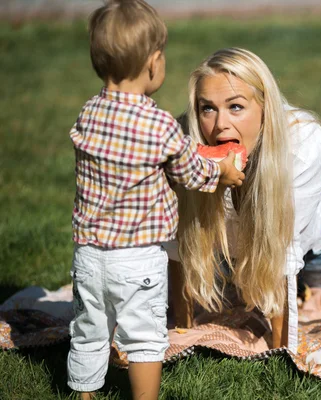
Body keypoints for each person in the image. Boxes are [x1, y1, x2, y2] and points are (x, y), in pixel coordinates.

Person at [67, 2, 244, 398]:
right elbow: (192, 174)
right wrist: (225, 173)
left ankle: (83, 395)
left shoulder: (88, 114)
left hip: (88, 255)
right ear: (152, 63)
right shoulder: (158, 124)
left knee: (89, 331)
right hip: (137, 256)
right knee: (144, 336)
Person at [168, 47, 321, 353]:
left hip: (319, 237)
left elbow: (284, 248)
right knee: (238, 290)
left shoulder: (304, 141)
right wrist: (182, 331)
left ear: (265, 106)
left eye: (236, 107)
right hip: (239, 247)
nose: (220, 125)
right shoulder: (182, 146)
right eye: (208, 108)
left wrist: (280, 349)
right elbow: (177, 243)